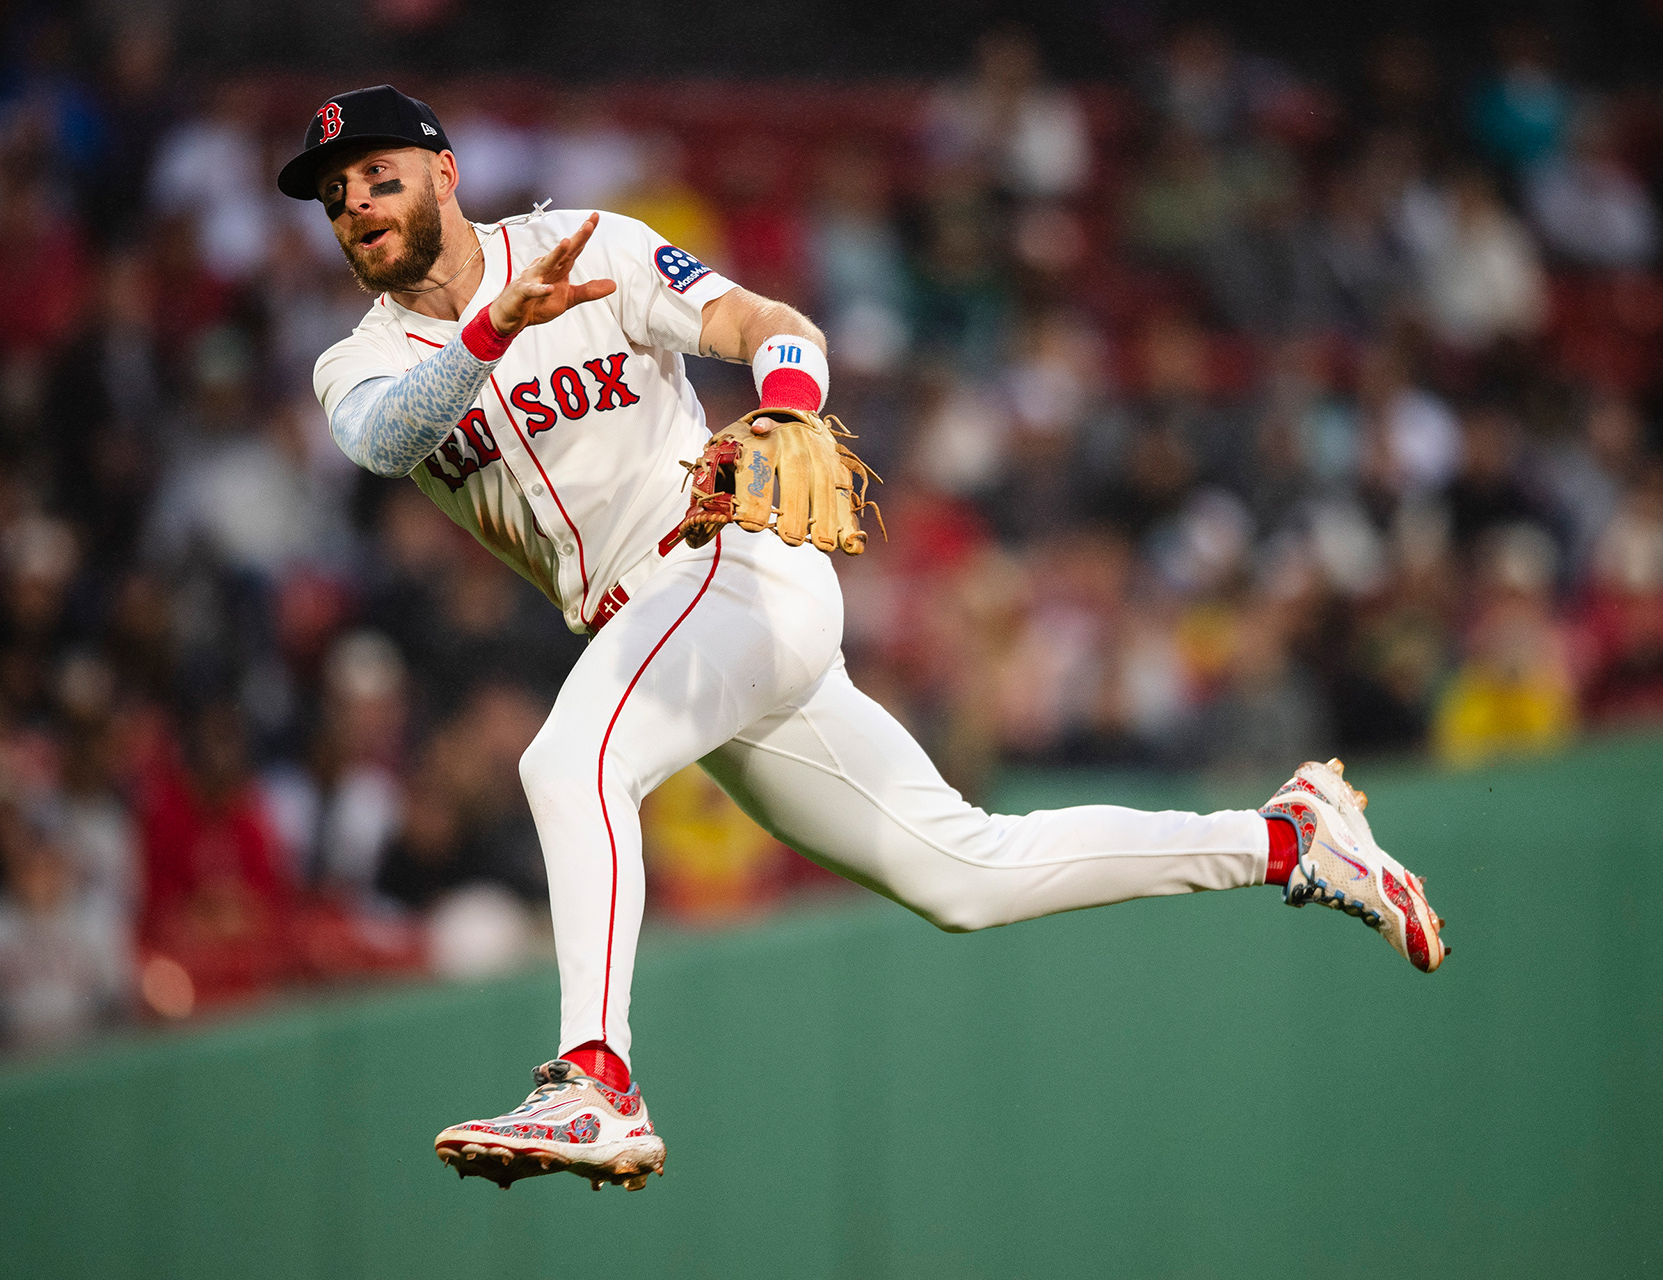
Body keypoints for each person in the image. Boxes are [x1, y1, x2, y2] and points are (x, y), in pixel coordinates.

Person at [280, 85, 1450, 1192]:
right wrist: (491, 332)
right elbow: (389, 441)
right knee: (963, 872)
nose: (357, 207)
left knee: (568, 760)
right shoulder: (360, 362)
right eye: (335, 196)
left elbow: (769, 323)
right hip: (683, 646)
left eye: (377, 176)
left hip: (731, 564)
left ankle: (596, 1079)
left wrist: (785, 407)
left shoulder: (591, 247)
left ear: (443, 169)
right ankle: (1289, 840)